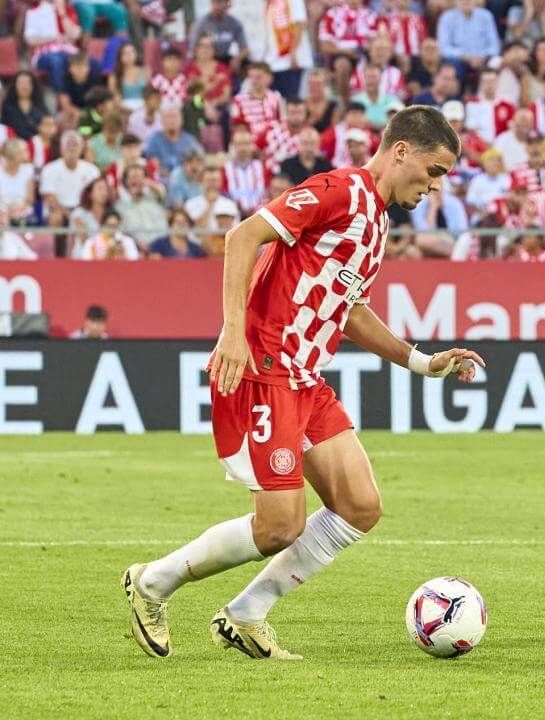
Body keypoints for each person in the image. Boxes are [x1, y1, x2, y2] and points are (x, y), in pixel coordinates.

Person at [122, 105, 482, 661]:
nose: (435, 186)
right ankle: (151, 583)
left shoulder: (378, 222)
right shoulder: (337, 191)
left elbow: (351, 310)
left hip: (306, 379)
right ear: (403, 151)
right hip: (266, 371)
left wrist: (422, 362)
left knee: (360, 505)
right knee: (279, 526)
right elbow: (242, 237)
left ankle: (246, 612)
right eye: (435, 171)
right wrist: (234, 332)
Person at [39, 130, 100, 226]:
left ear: (82, 148)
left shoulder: (92, 170)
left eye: (75, 145)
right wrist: (70, 215)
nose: (72, 148)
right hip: (59, 209)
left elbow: (96, 195)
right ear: (61, 149)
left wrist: (79, 214)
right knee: (55, 218)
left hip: (83, 209)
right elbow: (49, 198)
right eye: (68, 145)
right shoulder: (49, 169)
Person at [261, 0, 314, 98]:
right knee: (274, 102)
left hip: (291, 62)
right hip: (273, 62)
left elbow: (299, 25)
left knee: (291, 101)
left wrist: (293, 53)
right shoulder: (269, 3)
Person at [145, 104, 203, 176]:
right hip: (162, 180)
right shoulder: (154, 140)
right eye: (168, 117)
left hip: (186, 180)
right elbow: (153, 166)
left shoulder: (190, 141)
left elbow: (199, 163)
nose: (171, 120)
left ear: (181, 120)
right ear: (162, 120)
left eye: (174, 117)